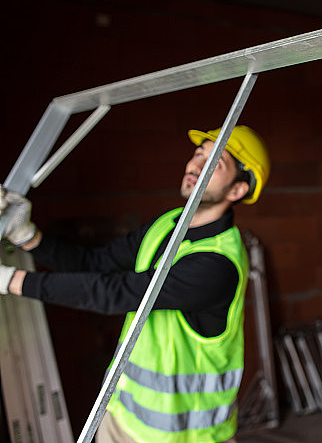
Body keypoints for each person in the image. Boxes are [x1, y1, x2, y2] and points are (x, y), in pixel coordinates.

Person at [0, 124, 270, 443]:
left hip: (183, 436)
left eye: (215, 163)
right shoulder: (165, 225)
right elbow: (95, 264)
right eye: (198, 153)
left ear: (237, 190)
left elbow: (116, 293)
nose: (195, 165)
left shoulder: (217, 263)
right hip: (121, 414)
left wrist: (11, 280)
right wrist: (28, 237)